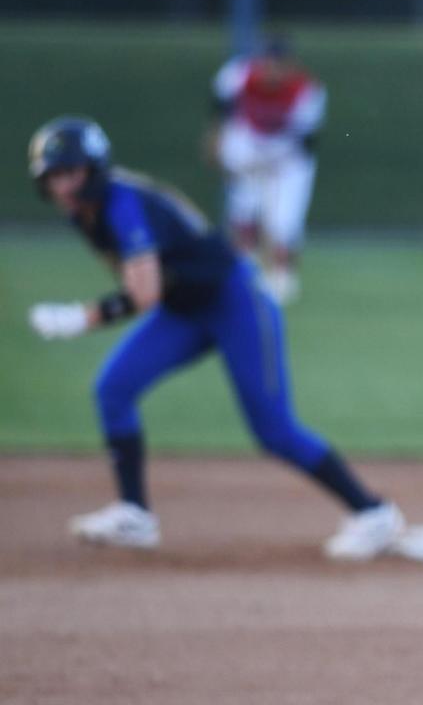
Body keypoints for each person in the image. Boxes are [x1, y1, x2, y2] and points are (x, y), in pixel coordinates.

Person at [26, 116, 403, 561]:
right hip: (186, 309)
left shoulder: (120, 203)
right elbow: (155, 284)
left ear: (94, 169)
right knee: (113, 388)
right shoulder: (84, 212)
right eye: (55, 176)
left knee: (274, 431)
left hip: (237, 302)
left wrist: (82, 317)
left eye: (72, 172)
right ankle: (134, 514)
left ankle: (373, 512)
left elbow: (144, 293)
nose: (64, 185)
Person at [207, 36, 326, 304]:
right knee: (243, 209)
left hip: (288, 159)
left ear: (290, 66)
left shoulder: (306, 90)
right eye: (269, 63)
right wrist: (217, 143)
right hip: (250, 147)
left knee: (283, 222)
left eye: (279, 64)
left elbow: (305, 144)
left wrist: (272, 165)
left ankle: (283, 277)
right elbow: (222, 111)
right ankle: (244, 271)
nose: (273, 70)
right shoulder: (237, 75)